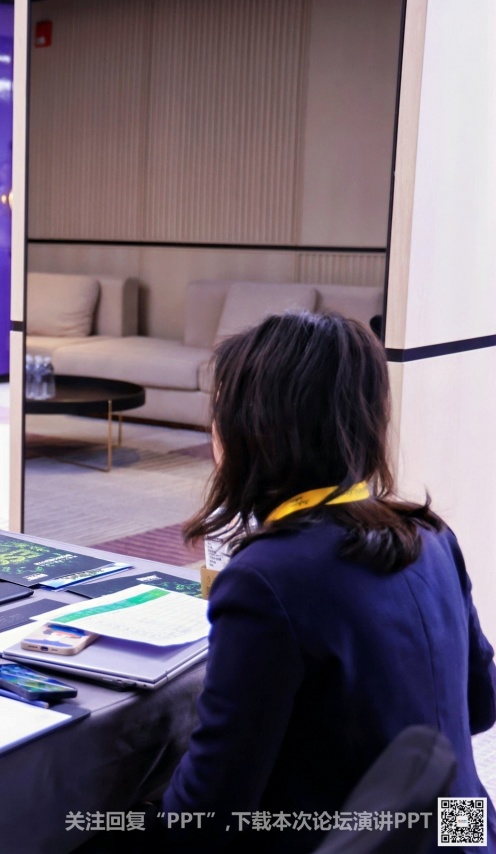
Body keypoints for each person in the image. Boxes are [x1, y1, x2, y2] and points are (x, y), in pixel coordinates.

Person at [161, 311, 496, 851]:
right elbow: (482, 705)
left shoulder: (268, 578)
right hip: (467, 832)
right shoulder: (430, 535)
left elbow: (209, 807)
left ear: (254, 426)